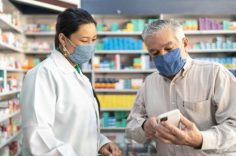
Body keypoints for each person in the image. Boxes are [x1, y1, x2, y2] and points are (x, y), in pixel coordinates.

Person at [126, 19, 236, 155]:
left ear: (184, 43)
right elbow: (131, 126)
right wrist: (144, 127)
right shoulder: (149, 83)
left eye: (169, 49)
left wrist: (201, 139)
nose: (163, 56)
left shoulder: (215, 74)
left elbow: (234, 126)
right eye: (155, 53)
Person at [20, 8, 122, 156]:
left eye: (94, 40)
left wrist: (101, 142)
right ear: (62, 39)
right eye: (84, 40)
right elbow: (38, 138)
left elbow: (78, 126)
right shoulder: (43, 74)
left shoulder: (80, 76)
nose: (90, 47)